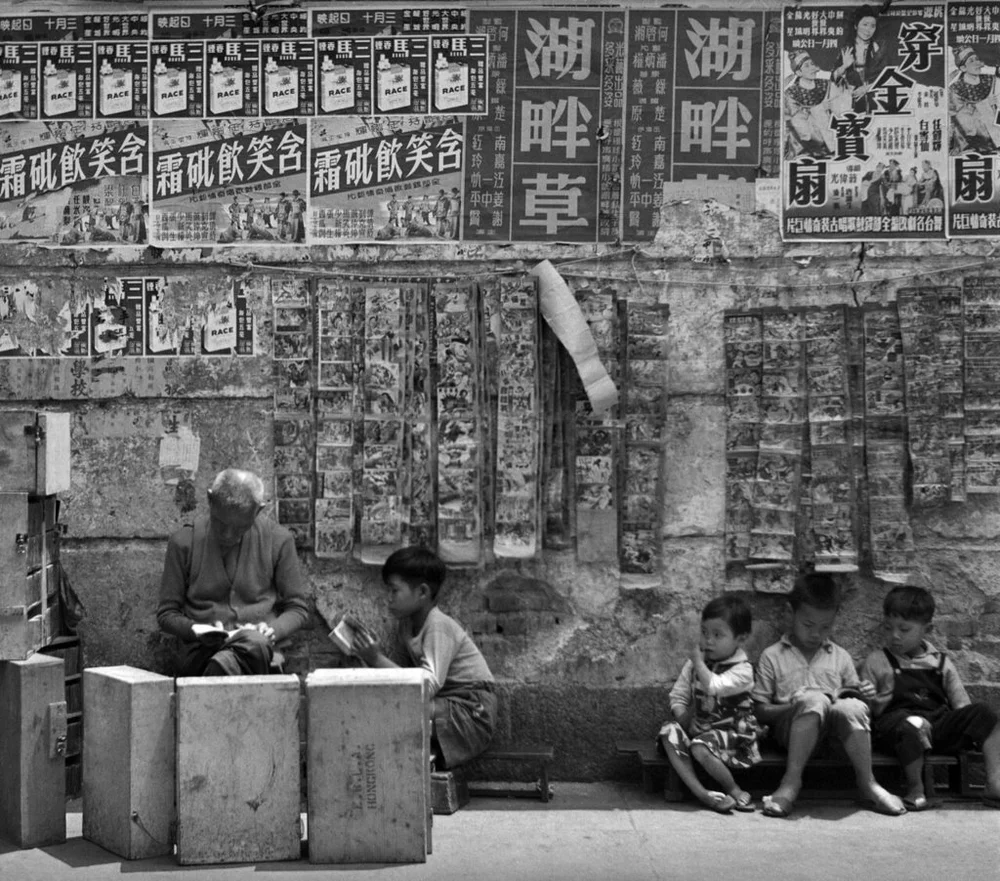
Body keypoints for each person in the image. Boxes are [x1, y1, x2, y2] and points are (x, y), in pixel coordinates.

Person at [751, 571, 906, 818]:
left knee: (850, 707)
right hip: (792, 736)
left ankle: (868, 782)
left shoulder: (840, 656)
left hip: (836, 741)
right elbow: (759, 710)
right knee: (813, 699)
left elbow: (858, 701)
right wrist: (793, 706)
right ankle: (791, 782)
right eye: (808, 625)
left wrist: (864, 694)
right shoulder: (773, 655)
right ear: (790, 614)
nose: (816, 634)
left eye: (826, 627)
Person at [346, 546, 496, 769]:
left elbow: (425, 685)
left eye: (394, 591)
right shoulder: (406, 626)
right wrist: (368, 655)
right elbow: (400, 677)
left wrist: (376, 659)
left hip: (472, 712)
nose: (388, 598)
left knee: (402, 710)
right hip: (444, 708)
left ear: (423, 592)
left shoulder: (438, 626)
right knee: (390, 705)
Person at [157, 468, 311, 676]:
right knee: (242, 649)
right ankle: (221, 668)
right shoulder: (184, 542)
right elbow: (167, 614)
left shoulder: (279, 541)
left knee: (254, 641)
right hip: (203, 652)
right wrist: (195, 629)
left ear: (258, 510)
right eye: (220, 524)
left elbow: (298, 609)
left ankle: (218, 674)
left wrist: (272, 630)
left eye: (240, 528)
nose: (228, 535)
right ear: (210, 500)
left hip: (260, 653)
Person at [859, 585, 1000, 810]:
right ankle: (916, 788)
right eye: (888, 628)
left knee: (985, 714)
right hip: (896, 728)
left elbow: (961, 706)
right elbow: (868, 713)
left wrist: (968, 723)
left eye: (904, 629)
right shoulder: (877, 660)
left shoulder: (941, 663)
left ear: (928, 629)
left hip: (936, 727)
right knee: (912, 725)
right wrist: (868, 696)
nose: (894, 636)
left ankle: (995, 783)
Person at [656, 595, 764, 813]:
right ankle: (703, 794)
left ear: (740, 639)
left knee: (700, 746)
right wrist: (685, 720)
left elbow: (715, 686)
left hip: (732, 735)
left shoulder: (743, 670)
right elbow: (678, 696)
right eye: (704, 632)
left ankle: (733, 789)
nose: (708, 641)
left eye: (717, 635)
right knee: (668, 732)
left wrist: (697, 662)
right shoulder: (695, 664)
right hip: (701, 732)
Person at [784, 49, 852, 159]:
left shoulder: (825, 85)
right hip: (804, 148)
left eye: (812, 64)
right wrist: (820, 109)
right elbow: (798, 124)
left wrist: (844, 68)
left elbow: (842, 106)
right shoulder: (791, 94)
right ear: (798, 72)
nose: (812, 68)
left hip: (832, 141)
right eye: (806, 66)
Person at [949, 44, 1000, 154]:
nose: (977, 63)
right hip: (972, 142)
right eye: (971, 61)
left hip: (996, 135)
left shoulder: (990, 80)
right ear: (963, 68)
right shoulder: (956, 89)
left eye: (977, 59)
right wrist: (985, 105)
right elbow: (961, 118)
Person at [839, 5, 890, 113]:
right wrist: (844, 66)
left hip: (875, 98)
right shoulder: (846, 49)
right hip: (848, 99)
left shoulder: (878, 48)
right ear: (856, 26)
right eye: (865, 24)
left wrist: (866, 88)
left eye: (872, 26)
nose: (868, 30)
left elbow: (887, 75)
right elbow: (833, 77)